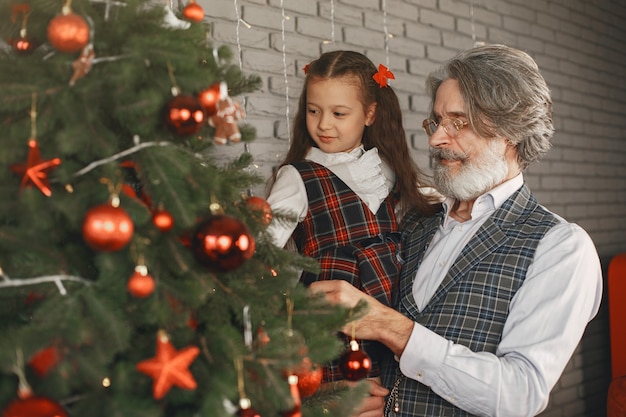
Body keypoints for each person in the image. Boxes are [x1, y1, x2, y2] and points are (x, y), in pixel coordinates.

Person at [310, 44, 603, 417]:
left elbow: (520, 394)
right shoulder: (415, 222)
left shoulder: (561, 247)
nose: (435, 140)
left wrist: (392, 328)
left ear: (511, 131)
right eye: (436, 121)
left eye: (458, 122)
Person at [265, 50, 439, 386]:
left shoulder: (387, 170)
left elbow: (431, 204)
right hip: (331, 316)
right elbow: (264, 250)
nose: (323, 124)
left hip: (391, 312)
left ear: (370, 113)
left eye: (339, 113)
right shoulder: (298, 176)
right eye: (313, 111)